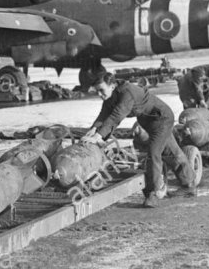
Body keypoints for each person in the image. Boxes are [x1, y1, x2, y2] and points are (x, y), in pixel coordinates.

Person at [82, 72, 195, 207]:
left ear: (112, 86)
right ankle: (189, 185)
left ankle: (154, 193)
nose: (99, 95)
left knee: (153, 153)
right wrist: (92, 131)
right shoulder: (111, 95)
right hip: (148, 121)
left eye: (101, 90)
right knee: (171, 151)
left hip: (162, 119)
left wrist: (98, 136)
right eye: (97, 92)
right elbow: (104, 115)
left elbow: (116, 116)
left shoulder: (127, 92)